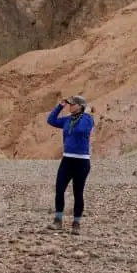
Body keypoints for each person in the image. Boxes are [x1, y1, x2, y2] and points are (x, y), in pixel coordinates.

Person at [46, 96, 94, 234]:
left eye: (73, 105)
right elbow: (51, 120)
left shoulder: (88, 119)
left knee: (78, 193)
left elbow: (83, 130)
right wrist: (60, 106)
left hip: (82, 161)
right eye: (69, 104)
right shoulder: (67, 120)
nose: (70, 107)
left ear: (80, 106)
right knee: (59, 189)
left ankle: (76, 223)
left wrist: (86, 113)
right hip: (67, 160)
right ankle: (58, 220)